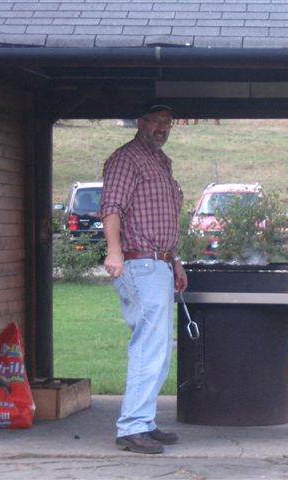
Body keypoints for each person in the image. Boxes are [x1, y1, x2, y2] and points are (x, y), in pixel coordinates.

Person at [100, 103, 188, 454]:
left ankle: (145, 422)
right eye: (156, 122)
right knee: (148, 346)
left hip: (160, 263)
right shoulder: (126, 159)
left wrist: (176, 262)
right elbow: (111, 207)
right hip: (139, 263)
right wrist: (114, 251)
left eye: (168, 123)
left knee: (160, 349)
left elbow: (165, 220)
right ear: (140, 122)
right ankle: (132, 426)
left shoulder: (161, 162)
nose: (162, 128)